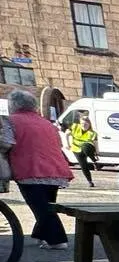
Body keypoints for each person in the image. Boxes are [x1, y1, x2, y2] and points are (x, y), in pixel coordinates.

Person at [5, 89, 74, 250]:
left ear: (13, 105)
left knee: (41, 207)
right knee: (47, 204)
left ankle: (58, 240)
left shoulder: (11, 121)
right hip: (55, 169)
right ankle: (40, 235)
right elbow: (58, 144)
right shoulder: (47, 123)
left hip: (29, 169)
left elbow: (6, 144)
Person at [68, 110, 98, 187]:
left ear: (89, 124)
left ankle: (94, 161)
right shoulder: (74, 126)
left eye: (86, 124)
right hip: (76, 149)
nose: (84, 126)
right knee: (83, 165)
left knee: (86, 146)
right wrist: (68, 144)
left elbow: (95, 144)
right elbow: (66, 134)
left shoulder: (92, 133)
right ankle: (90, 181)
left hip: (88, 148)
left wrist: (96, 153)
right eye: (82, 124)